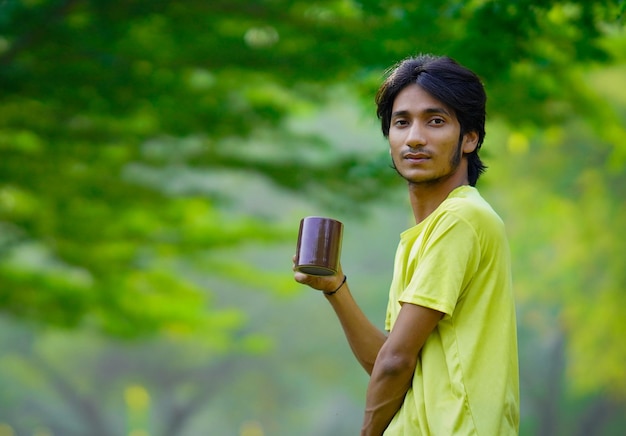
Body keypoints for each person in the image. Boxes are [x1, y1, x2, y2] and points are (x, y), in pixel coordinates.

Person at [293, 54, 519, 435]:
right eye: (402, 122)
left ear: (470, 137)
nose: (415, 137)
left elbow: (396, 362)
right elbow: (390, 360)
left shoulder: (460, 219)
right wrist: (335, 287)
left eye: (435, 121)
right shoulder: (425, 233)